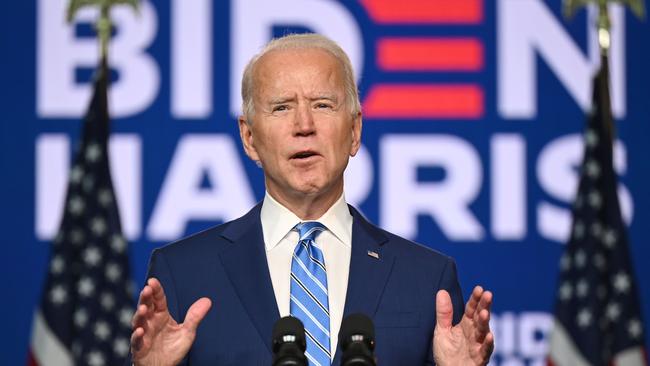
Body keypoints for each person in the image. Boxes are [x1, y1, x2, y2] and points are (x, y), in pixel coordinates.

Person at [129, 33, 494, 366]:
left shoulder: (426, 279)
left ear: (354, 131)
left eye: (322, 105)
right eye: (282, 107)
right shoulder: (183, 274)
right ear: (249, 137)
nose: (304, 124)